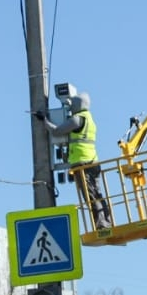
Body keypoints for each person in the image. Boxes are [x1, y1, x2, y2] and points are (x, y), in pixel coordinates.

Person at [35, 92, 113, 229]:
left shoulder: (77, 119)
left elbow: (57, 131)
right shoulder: (90, 119)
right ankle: (107, 220)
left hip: (82, 163)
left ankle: (101, 223)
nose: (70, 108)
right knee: (98, 194)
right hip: (93, 161)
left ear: (78, 104)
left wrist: (44, 120)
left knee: (90, 195)